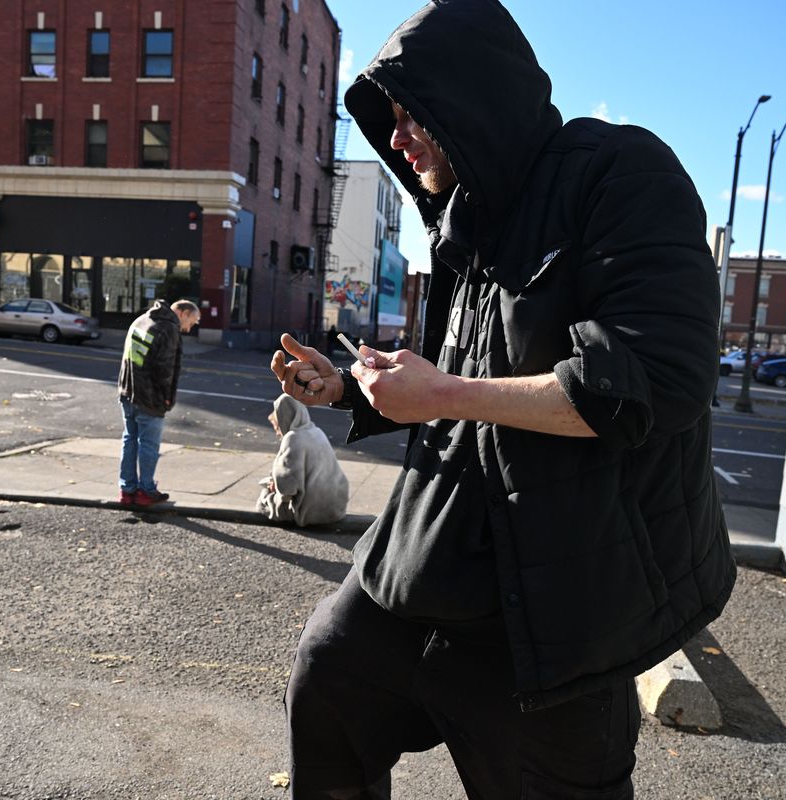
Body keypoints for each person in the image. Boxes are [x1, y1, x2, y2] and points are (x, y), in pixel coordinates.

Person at [268, 2, 735, 798]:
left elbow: (657, 379)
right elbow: (462, 388)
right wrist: (354, 389)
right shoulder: (462, 222)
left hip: (557, 600)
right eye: (393, 121)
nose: (399, 138)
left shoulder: (619, 173)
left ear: (473, 98)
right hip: (426, 559)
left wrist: (441, 389)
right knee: (329, 680)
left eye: (415, 116)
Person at [117, 298, 200, 507]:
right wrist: (167, 398)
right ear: (183, 313)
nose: (190, 328)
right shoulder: (168, 328)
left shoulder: (142, 320)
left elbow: (131, 360)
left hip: (128, 390)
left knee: (130, 440)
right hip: (150, 397)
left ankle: (127, 490)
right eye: (193, 321)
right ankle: (146, 490)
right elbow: (165, 369)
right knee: (148, 445)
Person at [255, 394, 349, 527]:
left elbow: (288, 488)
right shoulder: (317, 431)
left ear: (284, 419)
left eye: (276, 426)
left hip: (312, 512)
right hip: (336, 508)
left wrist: (274, 487)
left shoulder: (293, 438)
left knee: (264, 501)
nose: (277, 432)